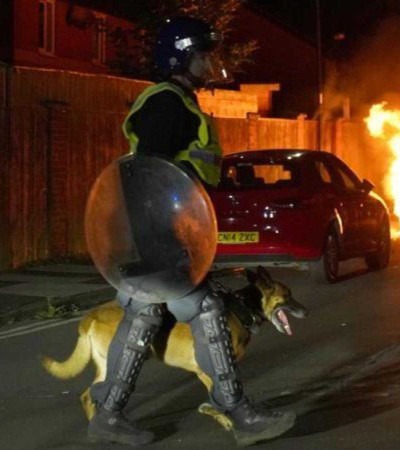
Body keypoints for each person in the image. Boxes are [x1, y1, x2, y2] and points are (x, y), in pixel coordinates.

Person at [86, 17, 296, 446]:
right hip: (160, 237)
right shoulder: (167, 104)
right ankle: (236, 411)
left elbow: (178, 173)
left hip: (156, 236)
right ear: (181, 56)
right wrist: (164, 241)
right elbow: (149, 176)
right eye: (202, 54)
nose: (208, 62)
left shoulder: (178, 102)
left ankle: (108, 414)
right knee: (206, 311)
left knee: (143, 313)